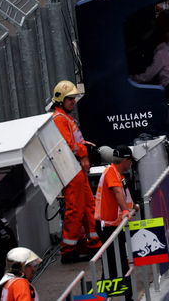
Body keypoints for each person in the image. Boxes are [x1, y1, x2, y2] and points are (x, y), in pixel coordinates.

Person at [49, 80, 101, 263]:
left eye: (74, 98)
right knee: (75, 210)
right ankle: (68, 251)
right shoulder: (59, 119)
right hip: (70, 169)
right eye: (70, 99)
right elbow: (69, 146)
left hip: (76, 169)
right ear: (60, 100)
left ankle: (94, 243)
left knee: (88, 206)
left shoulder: (66, 118)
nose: (74, 102)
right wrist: (85, 151)